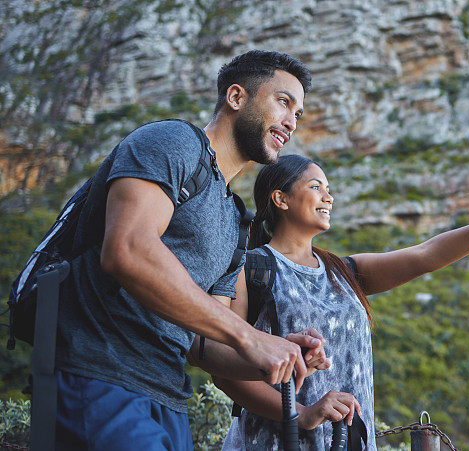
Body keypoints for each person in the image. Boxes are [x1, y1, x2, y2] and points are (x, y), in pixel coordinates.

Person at [54, 50, 328, 450]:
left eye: (298, 114)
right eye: (283, 102)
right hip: (100, 375)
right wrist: (250, 338)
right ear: (236, 97)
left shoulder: (236, 221)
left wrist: (281, 353)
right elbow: (127, 248)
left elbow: (204, 346)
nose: (291, 122)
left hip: (168, 398)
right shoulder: (172, 142)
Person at [215, 154, 469, 450]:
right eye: (315, 187)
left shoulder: (342, 272)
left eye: (329, 190)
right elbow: (225, 371)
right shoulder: (252, 268)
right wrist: (303, 413)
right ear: (281, 199)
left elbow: (425, 255)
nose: (328, 197)